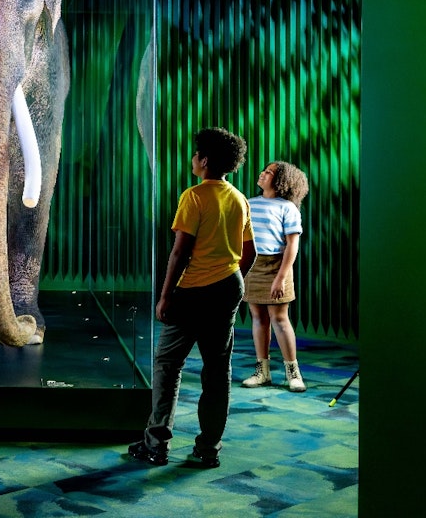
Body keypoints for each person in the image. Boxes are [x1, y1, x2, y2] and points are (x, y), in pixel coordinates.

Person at [128, 127, 255, 469]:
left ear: (205, 161)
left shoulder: (195, 196)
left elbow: (180, 253)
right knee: (218, 371)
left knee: (168, 367)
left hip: (193, 291)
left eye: (196, 154)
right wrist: (232, 276)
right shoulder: (239, 198)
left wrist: (165, 296)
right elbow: (249, 251)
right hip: (229, 286)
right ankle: (209, 448)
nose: (192, 159)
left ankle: (156, 445)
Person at [241, 161, 310, 392]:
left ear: (280, 181)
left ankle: (293, 372)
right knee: (258, 318)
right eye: (264, 170)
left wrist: (281, 277)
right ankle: (263, 372)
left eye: (269, 172)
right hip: (253, 265)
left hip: (277, 266)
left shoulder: (288, 208)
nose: (263, 173)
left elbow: (292, 245)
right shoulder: (249, 203)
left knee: (279, 319)